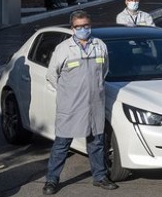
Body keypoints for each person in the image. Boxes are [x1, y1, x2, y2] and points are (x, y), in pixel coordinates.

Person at [43, 10, 118, 195]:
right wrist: (69, 93)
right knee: (62, 144)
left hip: (95, 104)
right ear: (72, 28)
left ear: (90, 25)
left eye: (86, 25)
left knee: (97, 142)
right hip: (71, 106)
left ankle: (100, 177)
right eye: (79, 27)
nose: (83, 29)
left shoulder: (99, 45)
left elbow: (104, 70)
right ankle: (51, 180)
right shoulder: (63, 49)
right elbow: (52, 76)